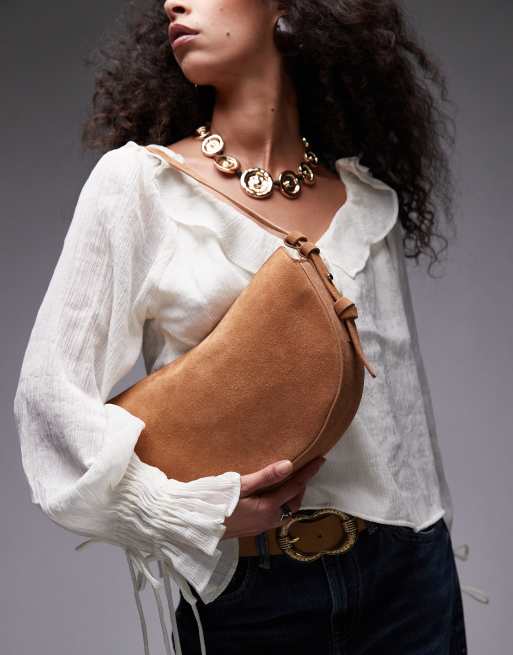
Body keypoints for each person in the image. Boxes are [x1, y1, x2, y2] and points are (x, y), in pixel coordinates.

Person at [13, 1, 489, 654]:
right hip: (253, 594)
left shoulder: (365, 201)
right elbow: (47, 401)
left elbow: (401, 429)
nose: (173, 3)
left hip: (408, 581)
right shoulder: (142, 187)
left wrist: (431, 557)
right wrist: (184, 513)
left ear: (284, 9)